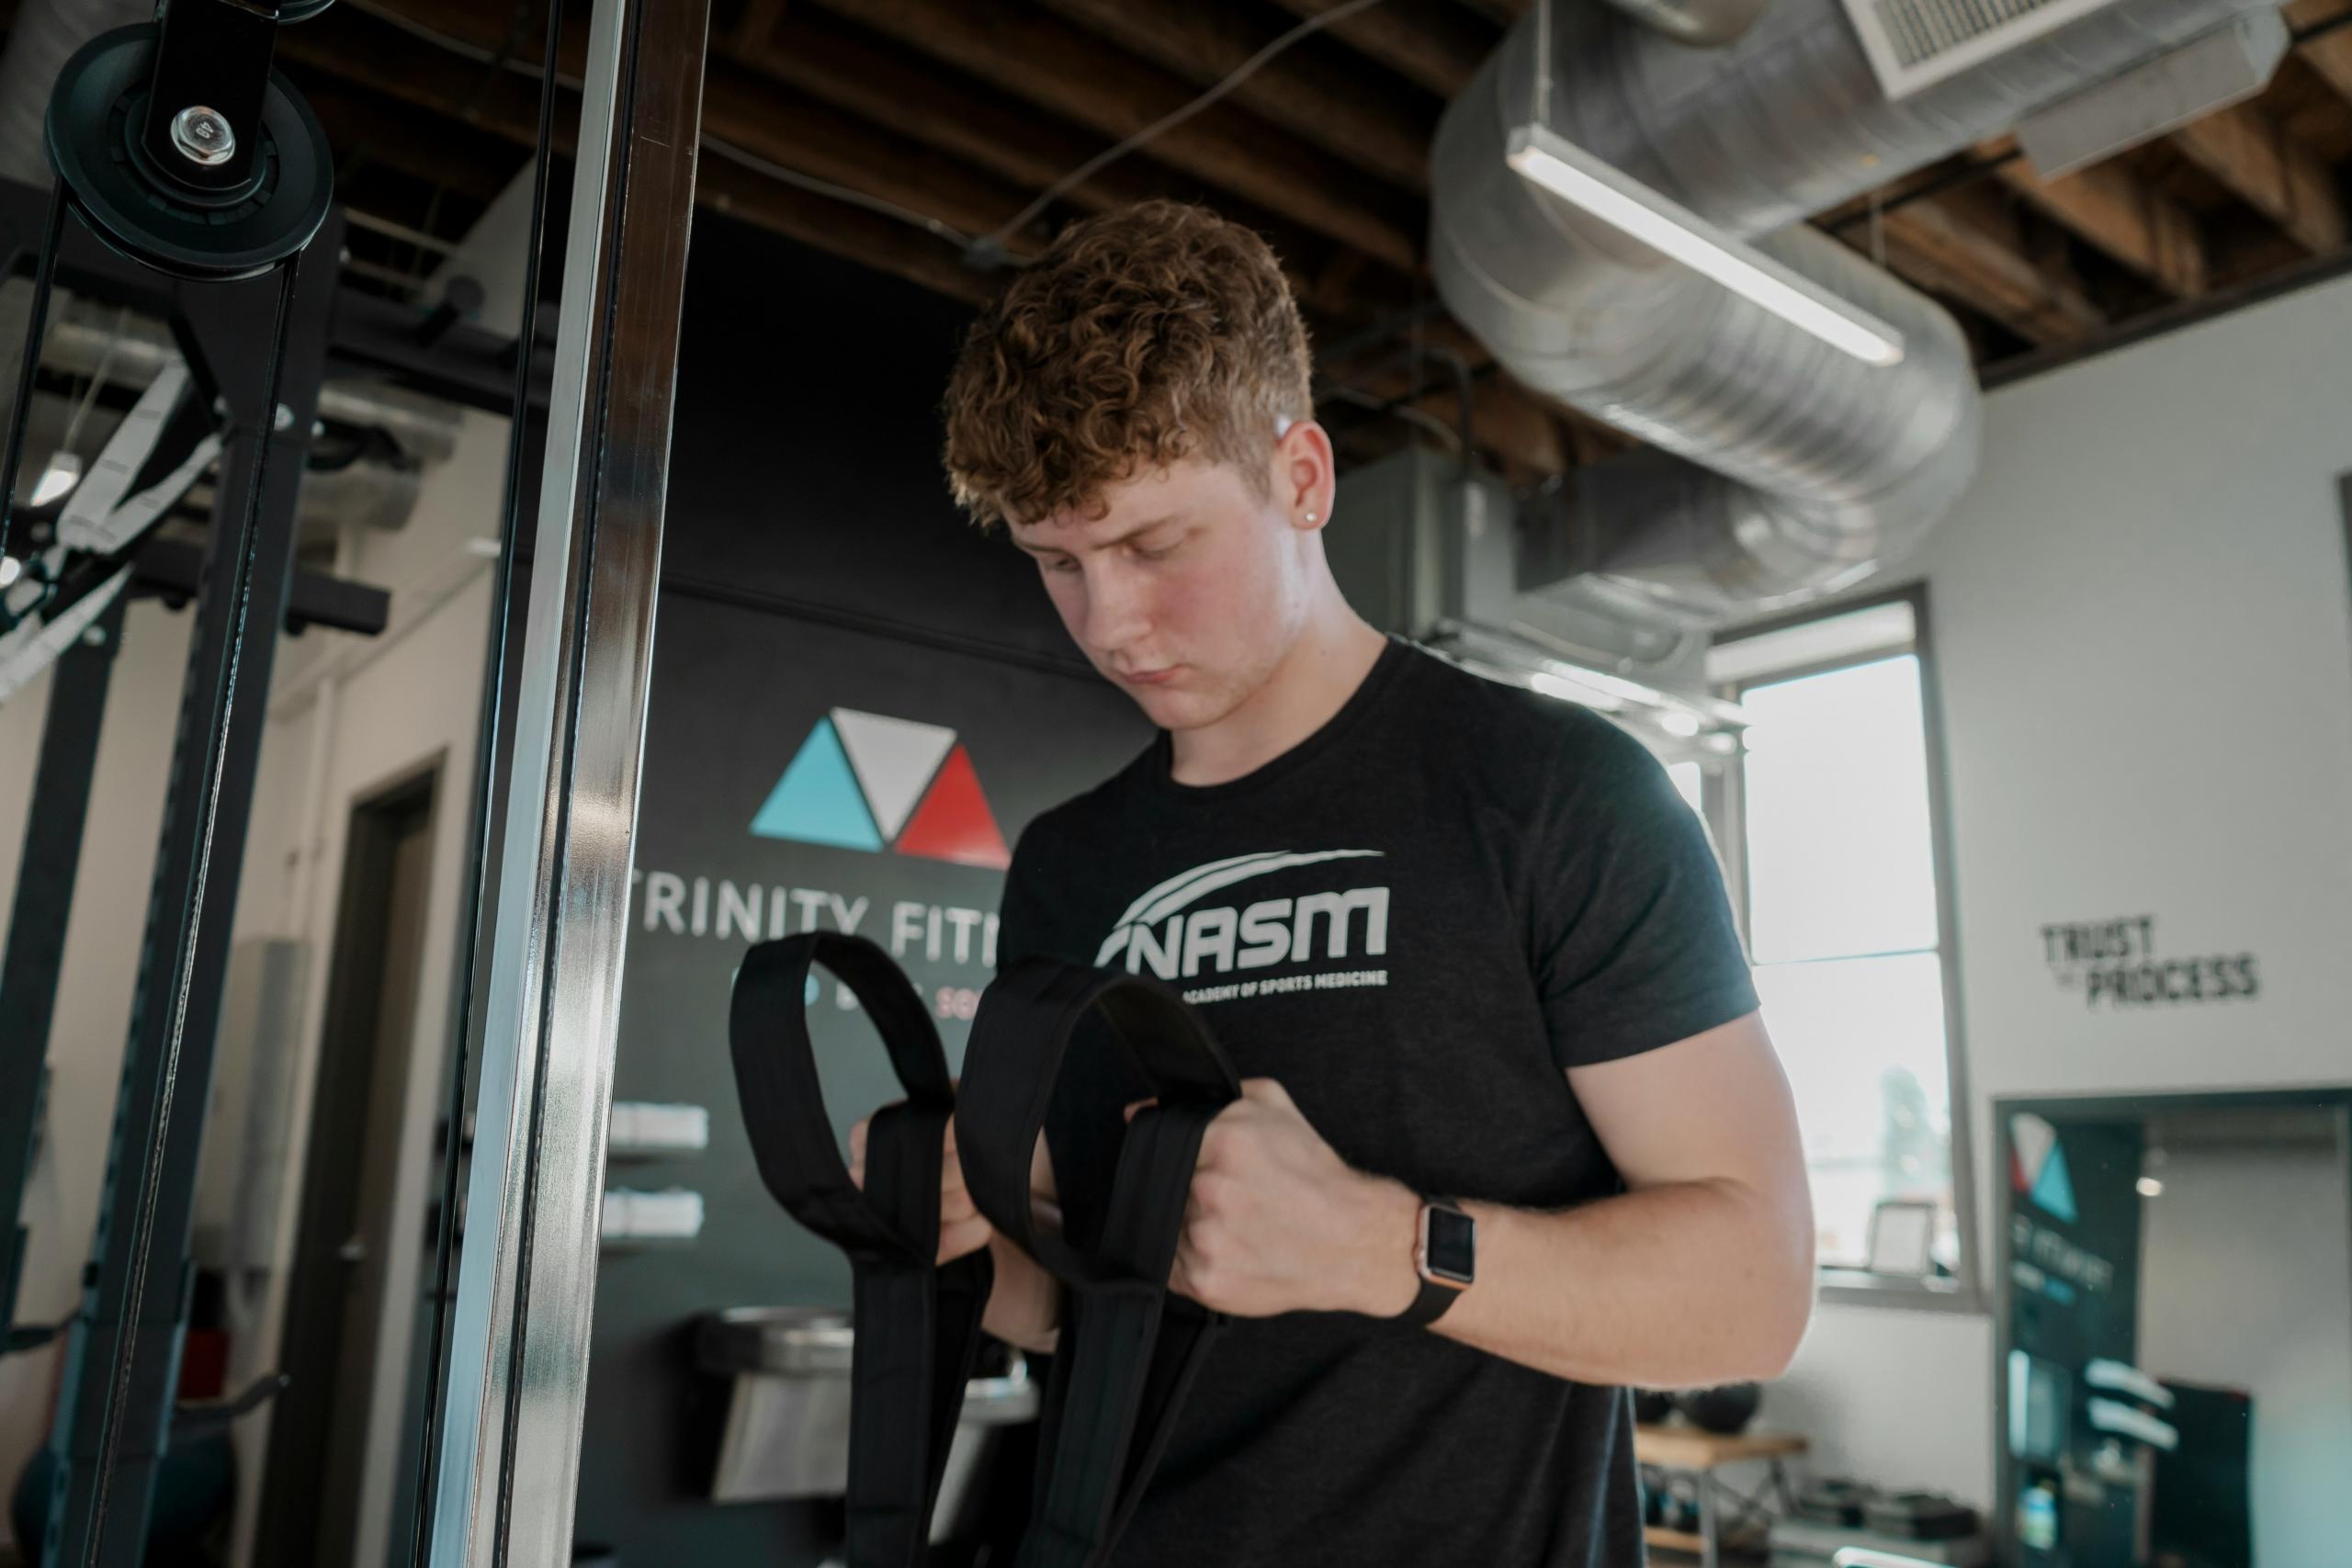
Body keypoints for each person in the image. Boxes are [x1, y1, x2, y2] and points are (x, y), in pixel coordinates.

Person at [850, 200, 1814, 1568]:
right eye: (1058, 561)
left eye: (1154, 546)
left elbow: (1756, 1294)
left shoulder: (1552, 795)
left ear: (1302, 476)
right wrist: (954, 1237)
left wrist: (1384, 1248)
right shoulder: (1071, 866)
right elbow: (1088, 1308)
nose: (1110, 624)